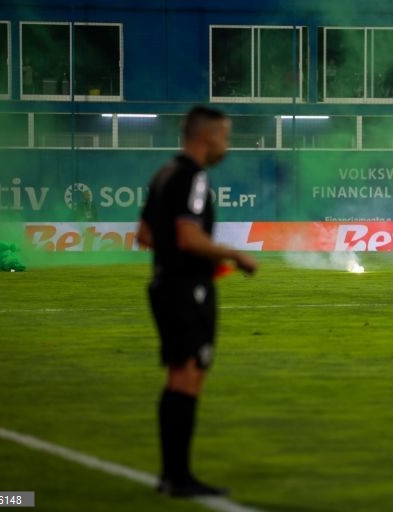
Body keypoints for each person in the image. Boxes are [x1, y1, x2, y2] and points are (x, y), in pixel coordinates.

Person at [136, 106, 258, 498]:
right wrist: (231, 255)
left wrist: (183, 254)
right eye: (225, 135)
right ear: (208, 136)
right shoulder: (193, 177)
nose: (227, 144)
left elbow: (145, 235)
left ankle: (172, 475)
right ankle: (178, 477)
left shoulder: (163, 174)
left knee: (179, 374)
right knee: (189, 375)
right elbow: (187, 237)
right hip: (187, 288)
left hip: (164, 284)